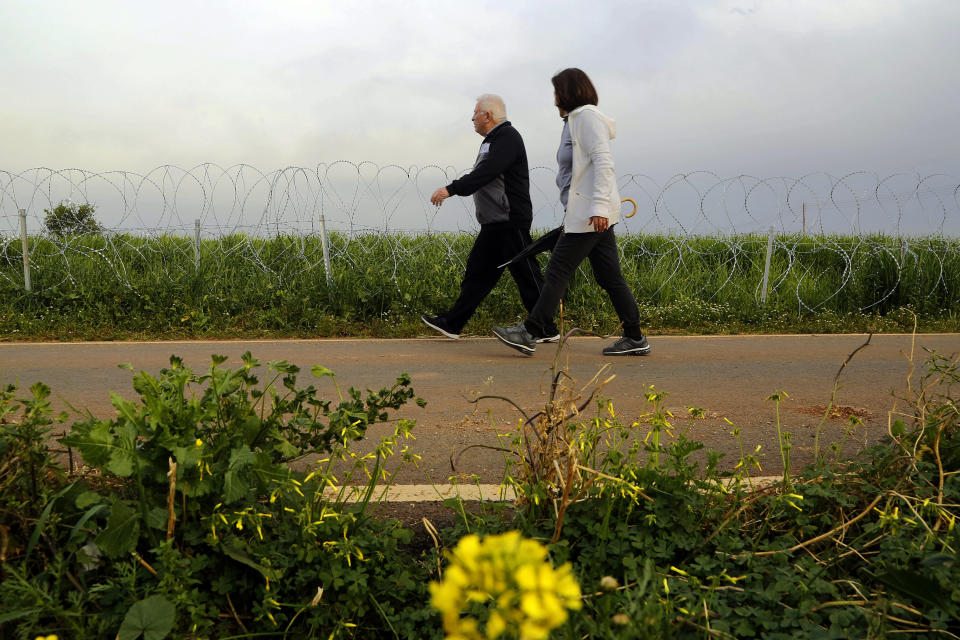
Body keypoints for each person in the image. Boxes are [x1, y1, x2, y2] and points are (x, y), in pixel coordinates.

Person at [492, 69, 651, 356]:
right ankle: (635, 337)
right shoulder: (573, 121)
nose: (553, 99)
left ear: (568, 91)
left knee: (557, 270)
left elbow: (604, 162)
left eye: (556, 92)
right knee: (609, 277)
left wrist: (600, 207)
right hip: (585, 212)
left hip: (591, 214)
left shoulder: (587, 117)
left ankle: (529, 332)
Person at [423, 94, 559, 341]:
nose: (472, 118)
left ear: (488, 115)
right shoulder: (492, 140)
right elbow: (485, 173)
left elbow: (488, 172)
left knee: (526, 274)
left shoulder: (508, 137)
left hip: (509, 220)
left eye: (475, 113)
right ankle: (453, 323)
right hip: (494, 223)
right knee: (477, 275)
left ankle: (546, 328)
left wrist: (451, 189)